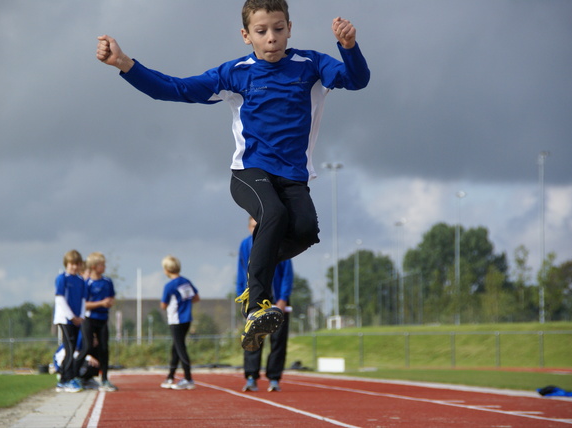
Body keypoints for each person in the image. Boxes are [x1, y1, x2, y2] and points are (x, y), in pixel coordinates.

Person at [96, 0, 370, 352]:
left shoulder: (311, 66)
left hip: (294, 177)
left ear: (289, 27)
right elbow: (175, 88)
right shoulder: (235, 73)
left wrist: (349, 47)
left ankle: (254, 275)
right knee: (273, 214)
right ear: (246, 36)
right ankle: (256, 306)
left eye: (278, 28)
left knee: (306, 232)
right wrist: (123, 63)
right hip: (249, 173)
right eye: (261, 31)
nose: (271, 38)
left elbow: (356, 80)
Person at [237, 217, 293, 392]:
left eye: (259, 226)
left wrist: (283, 298)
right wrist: (242, 296)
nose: (256, 229)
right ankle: (251, 377)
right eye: (253, 226)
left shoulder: (277, 242)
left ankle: (274, 378)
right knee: (253, 336)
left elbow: (287, 273)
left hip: (277, 299)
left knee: (278, 340)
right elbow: (241, 272)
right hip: (256, 297)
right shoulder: (245, 245)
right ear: (248, 227)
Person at [159, 255, 200, 390]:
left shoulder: (169, 286)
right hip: (186, 319)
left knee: (180, 348)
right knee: (175, 348)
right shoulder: (186, 281)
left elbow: (163, 305)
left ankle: (188, 378)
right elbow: (196, 297)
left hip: (176, 320)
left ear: (166, 269)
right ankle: (170, 376)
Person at [80, 252, 118, 392]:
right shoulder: (87, 283)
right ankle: (75, 375)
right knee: (88, 347)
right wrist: (101, 303)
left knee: (104, 349)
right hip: (89, 319)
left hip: (103, 319)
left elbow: (112, 298)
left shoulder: (108, 282)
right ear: (95, 267)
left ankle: (105, 379)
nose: (105, 266)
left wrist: (109, 303)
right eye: (102, 264)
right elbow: (84, 305)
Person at [53, 249, 87, 393]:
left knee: (73, 349)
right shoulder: (62, 278)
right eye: (72, 264)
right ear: (67, 264)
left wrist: (81, 316)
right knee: (69, 348)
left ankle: (68, 378)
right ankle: (64, 380)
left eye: (77, 264)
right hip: (65, 319)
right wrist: (71, 316)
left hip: (77, 319)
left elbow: (83, 300)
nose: (74, 267)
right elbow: (60, 298)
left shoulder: (80, 281)